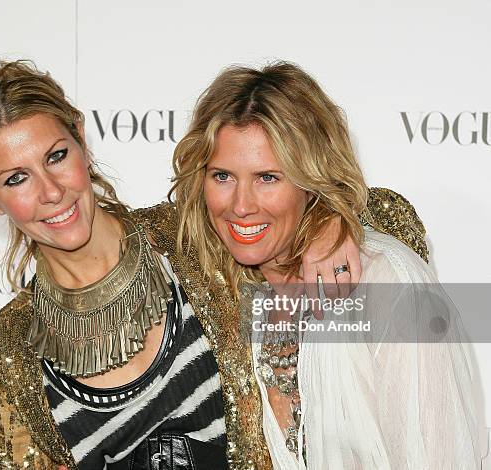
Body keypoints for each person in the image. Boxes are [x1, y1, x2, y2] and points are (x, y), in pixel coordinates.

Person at [0, 61, 393, 469]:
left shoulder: (187, 238)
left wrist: (330, 221)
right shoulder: (11, 353)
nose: (50, 192)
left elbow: (396, 220)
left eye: (56, 156)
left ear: (81, 137)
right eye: (16, 179)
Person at [162, 61, 480, 468]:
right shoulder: (220, 291)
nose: (241, 206)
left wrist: (337, 216)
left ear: (310, 179)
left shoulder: (389, 285)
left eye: (268, 177)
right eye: (222, 176)